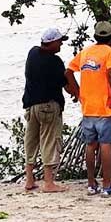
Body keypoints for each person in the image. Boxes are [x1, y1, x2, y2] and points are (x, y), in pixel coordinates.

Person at [65, 21, 111, 196]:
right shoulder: (110, 53)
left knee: (90, 145)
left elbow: (68, 71)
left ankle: (91, 183)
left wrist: (78, 93)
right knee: (106, 144)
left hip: (88, 108)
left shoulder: (85, 53)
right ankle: (107, 185)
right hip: (105, 108)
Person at [22, 28, 77, 192]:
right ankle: (48, 182)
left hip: (31, 105)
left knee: (30, 141)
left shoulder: (32, 54)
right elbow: (66, 85)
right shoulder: (55, 62)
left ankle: (29, 179)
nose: (61, 44)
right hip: (48, 106)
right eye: (59, 41)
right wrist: (77, 93)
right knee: (50, 141)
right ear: (51, 43)